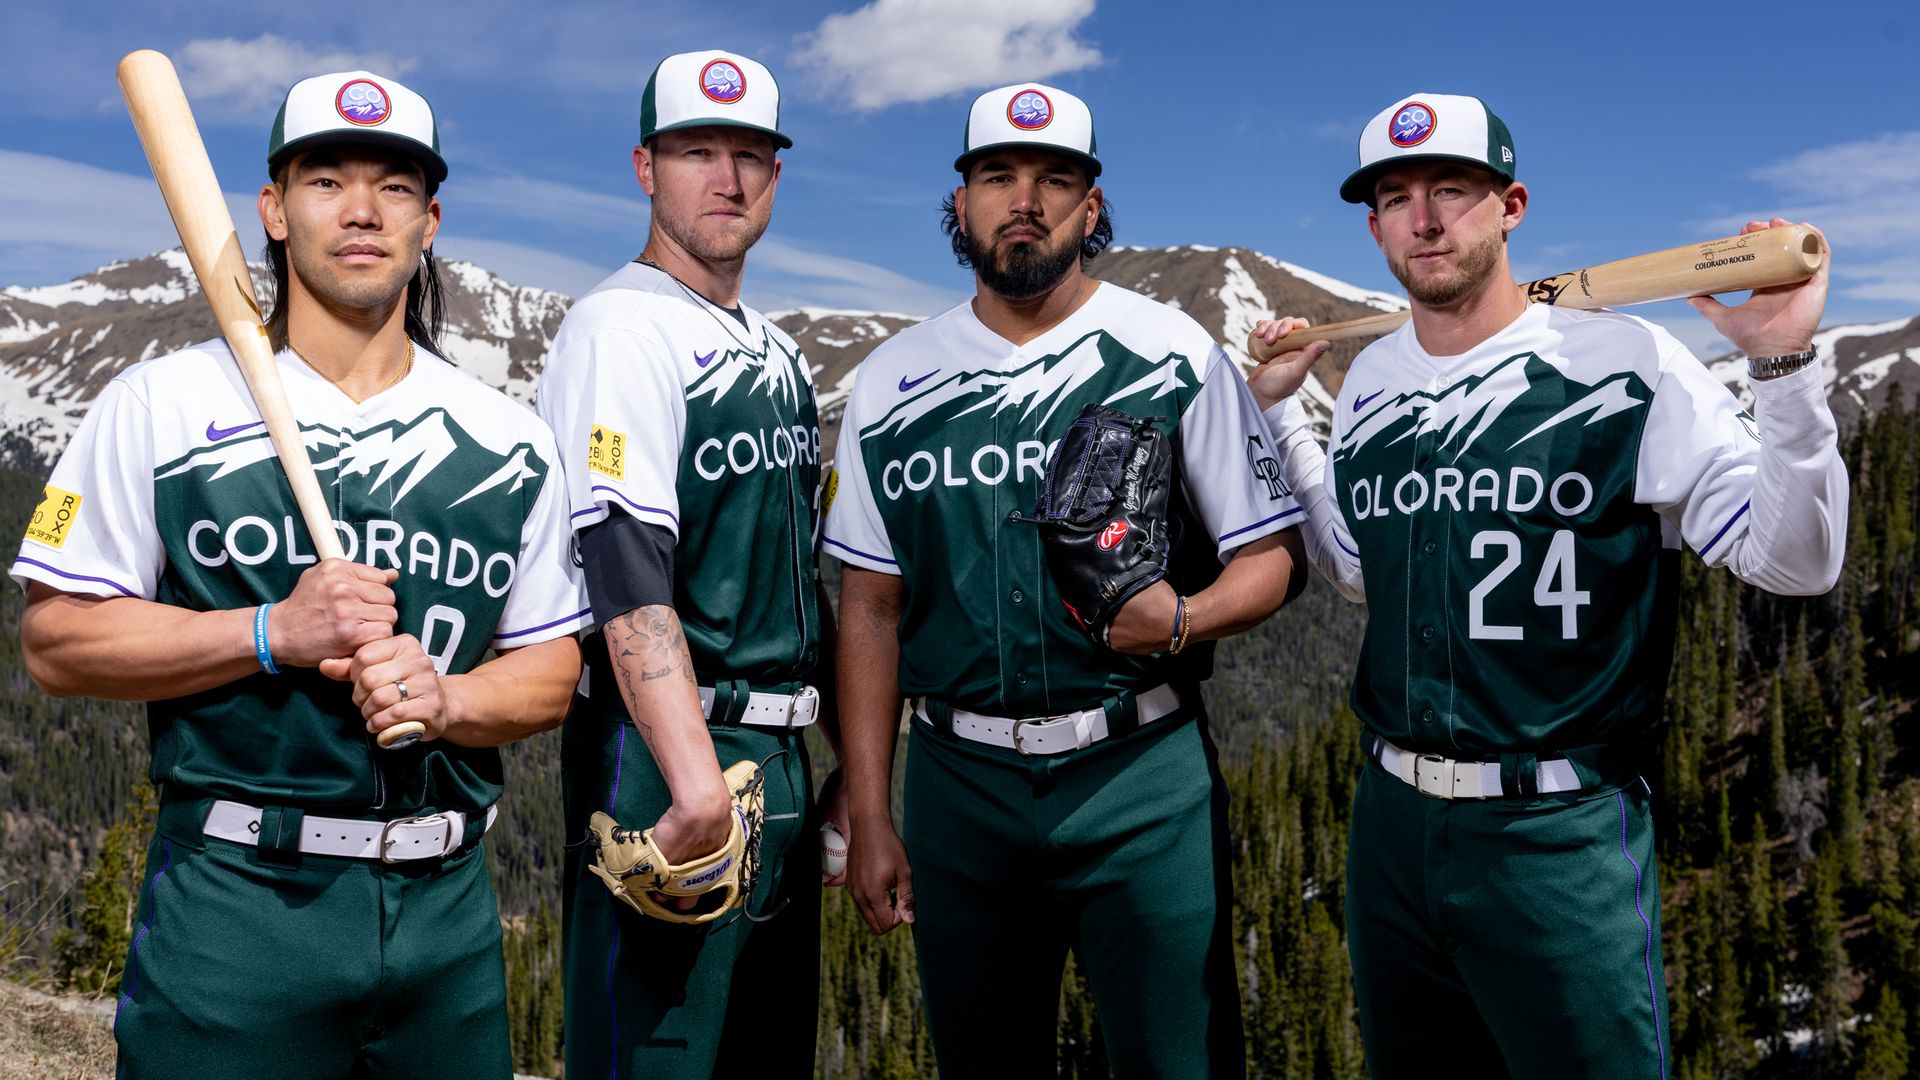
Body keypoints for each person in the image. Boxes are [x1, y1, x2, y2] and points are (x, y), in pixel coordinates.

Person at [1247, 92, 1847, 1080]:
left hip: (1557, 831)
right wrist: (1281, 423)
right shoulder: (1373, 382)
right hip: (1392, 828)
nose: (1426, 219)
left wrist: (1780, 363)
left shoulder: (1629, 363)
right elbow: (1360, 574)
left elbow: (1796, 561)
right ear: (1373, 226)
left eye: (1453, 190)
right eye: (1397, 198)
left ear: (1511, 206)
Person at [13, 69, 589, 1079]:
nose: (361, 210)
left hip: (448, 917)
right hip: (238, 908)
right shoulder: (162, 405)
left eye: (395, 185)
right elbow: (57, 640)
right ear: (274, 212)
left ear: (431, 219)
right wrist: (271, 631)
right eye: (325, 180)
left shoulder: (508, 436)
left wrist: (449, 698)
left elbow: (549, 669)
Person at [825, 81, 1309, 1077]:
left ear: (1092, 208)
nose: (1025, 201)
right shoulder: (889, 380)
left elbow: (1272, 558)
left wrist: (1182, 618)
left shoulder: (1173, 353)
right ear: (960, 203)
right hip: (960, 792)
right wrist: (872, 812)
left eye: (1056, 180)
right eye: (997, 176)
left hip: (1144, 778)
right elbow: (870, 606)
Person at [534, 49, 836, 1079]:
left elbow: (798, 574)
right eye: (697, 151)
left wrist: (845, 779)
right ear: (644, 168)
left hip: (783, 755)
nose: (728, 177)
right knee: (654, 1059)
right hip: (673, 750)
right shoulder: (620, 326)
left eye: (751, 154)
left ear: (777, 179)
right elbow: (622, 565)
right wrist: (696, 782)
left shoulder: (779, 350)